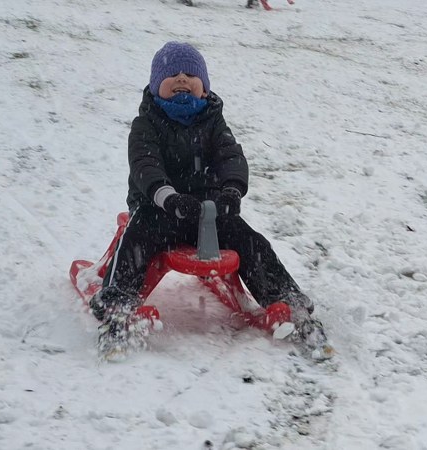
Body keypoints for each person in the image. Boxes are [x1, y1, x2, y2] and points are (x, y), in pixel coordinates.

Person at [92, 41, 327, 356]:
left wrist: (231, 189)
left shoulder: (214, 122)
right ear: (154, 85)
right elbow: (145, 165)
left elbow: (231, 156)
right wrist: (167, 196)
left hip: (208, 212)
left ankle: (289, 302)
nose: (182, 79)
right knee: (136, 239)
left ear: (204, 87)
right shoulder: (146, 123)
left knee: (251, 241)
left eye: (190, 74)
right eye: (172, 74)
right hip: (158, 207)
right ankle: (118, 309)